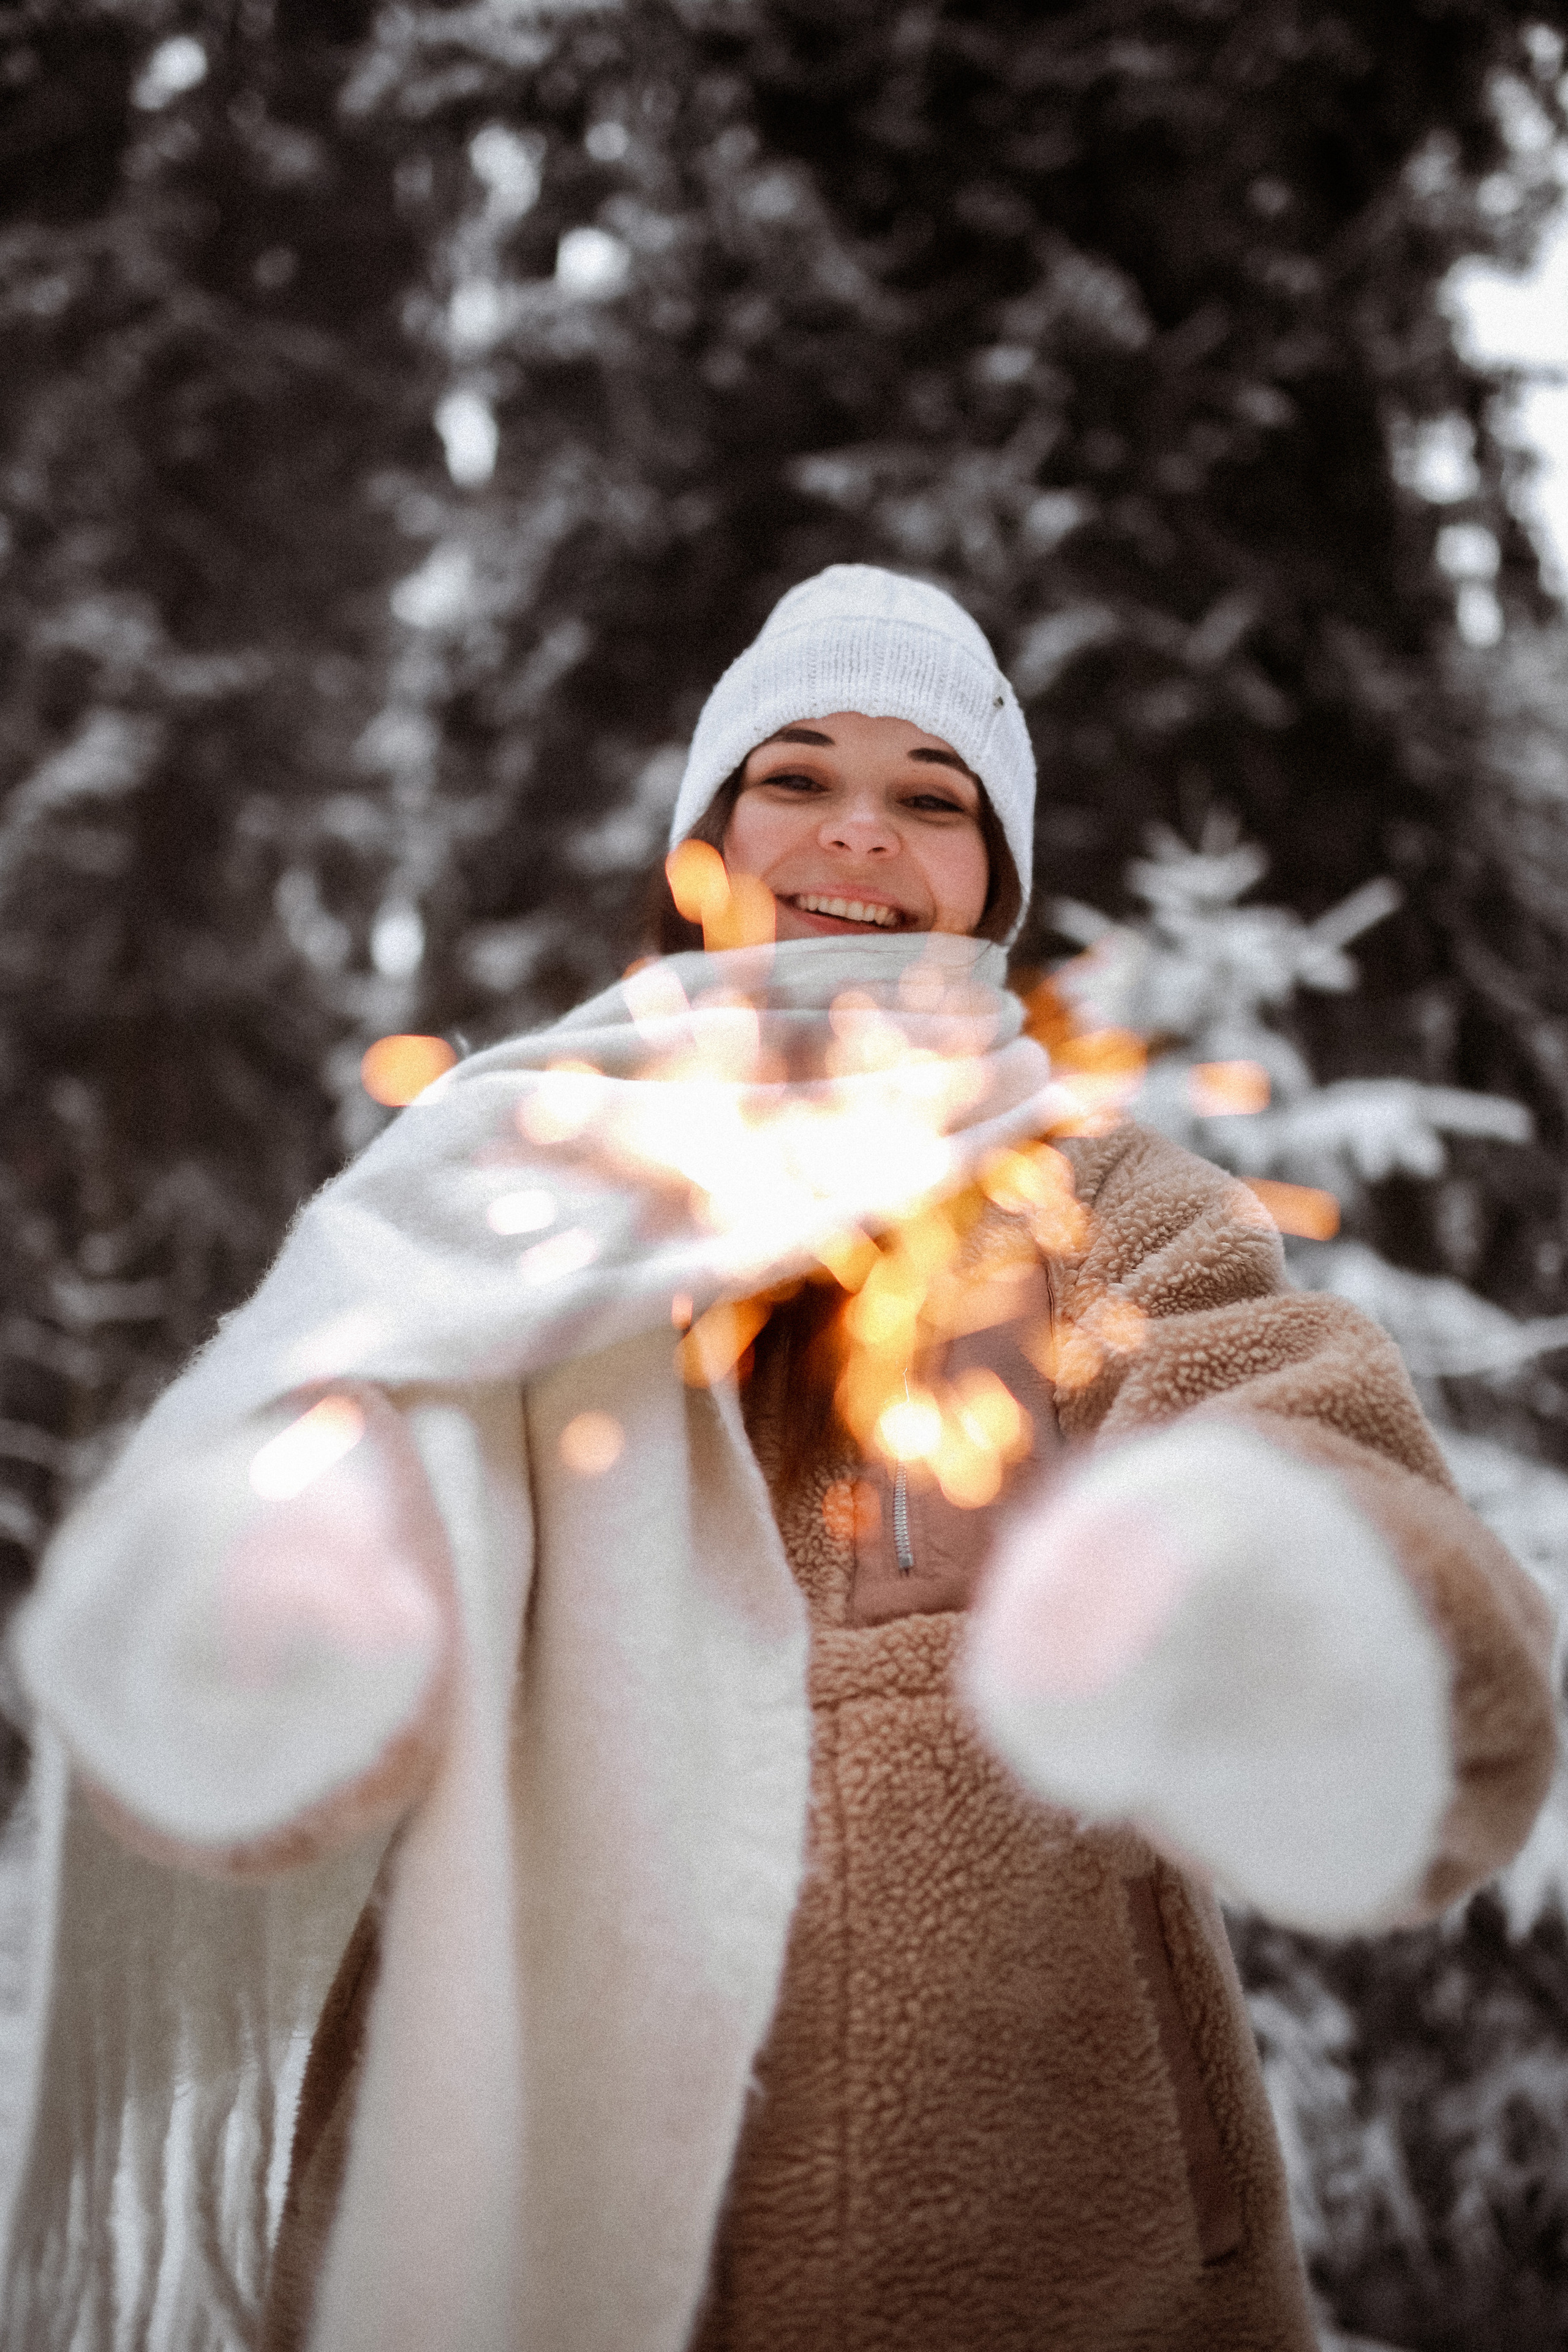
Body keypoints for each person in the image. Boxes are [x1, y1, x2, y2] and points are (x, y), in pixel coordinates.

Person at [3, 567, 1556, 2352]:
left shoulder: (1105, 1205)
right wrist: (274, 1638)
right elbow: (321, 1598)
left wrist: (1309, 1594)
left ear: (994, 880)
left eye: (929, 796)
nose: (859, 836)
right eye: (797, 775)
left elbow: (1281, 1410)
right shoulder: (509, 1198)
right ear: (709, 834)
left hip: (1064, 2254)